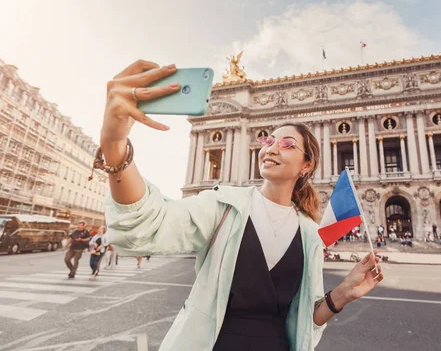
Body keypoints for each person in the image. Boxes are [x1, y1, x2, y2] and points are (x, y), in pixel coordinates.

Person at [100, 59, 384, 351]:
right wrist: (114, 142)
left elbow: (304, 319)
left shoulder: (310, 232)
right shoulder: (223, 205)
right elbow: (145, 225)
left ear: (306, 165)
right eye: (268, 141)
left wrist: (342, 294)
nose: (272, 147)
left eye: (287, 144)